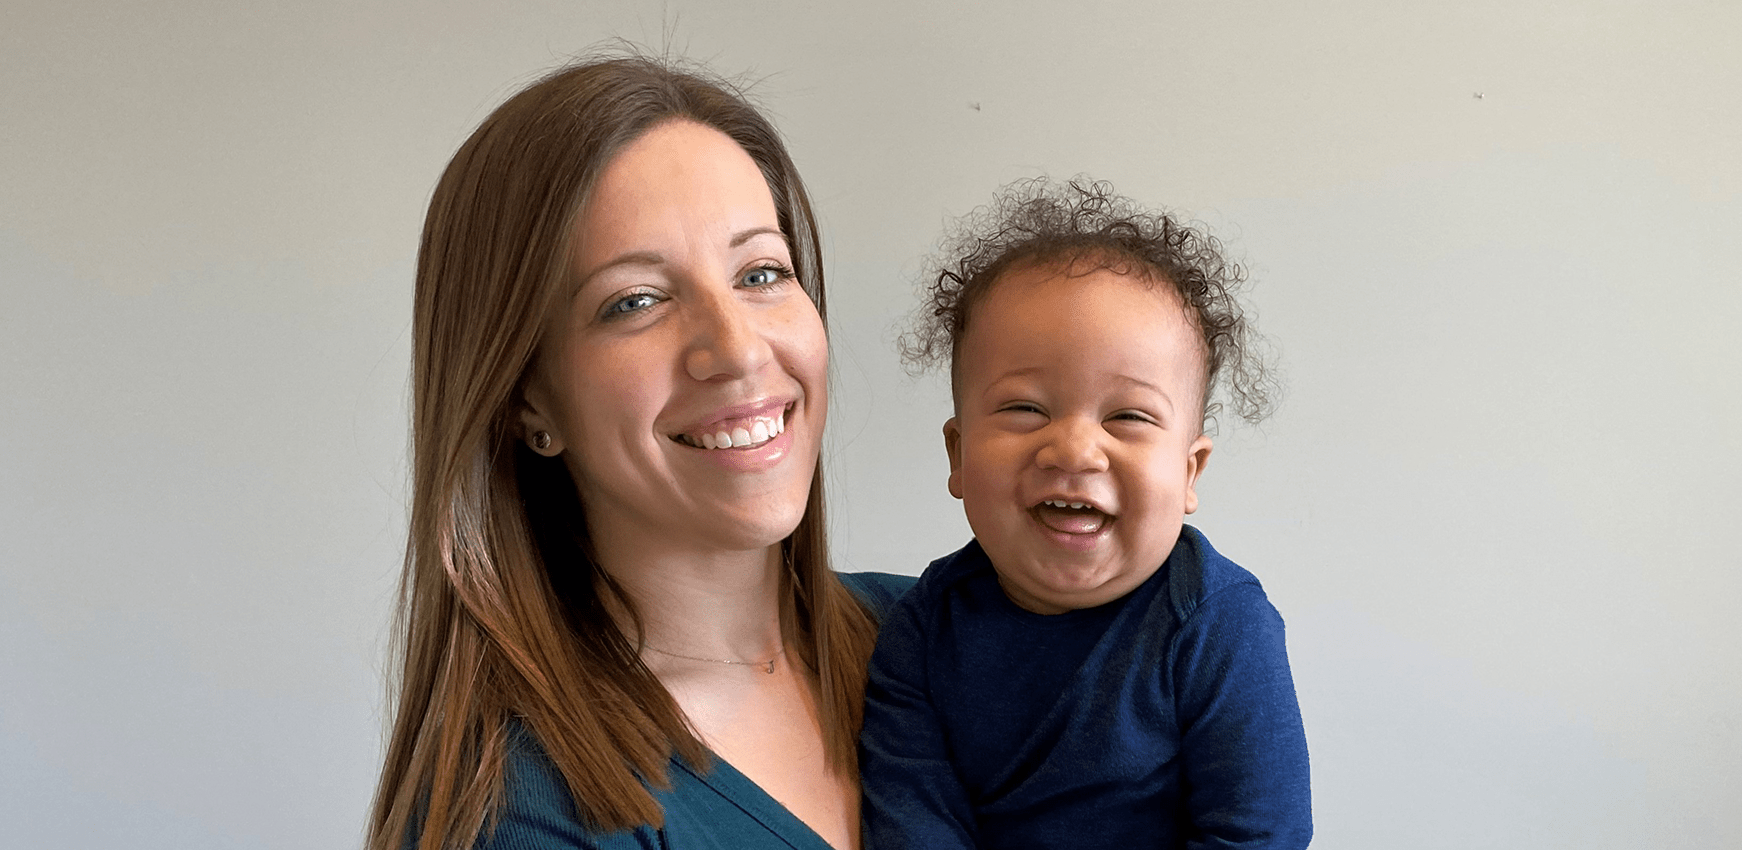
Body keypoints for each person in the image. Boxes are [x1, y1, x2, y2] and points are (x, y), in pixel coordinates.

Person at [364, 56, 910, 850]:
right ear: (527, 397)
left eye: (761, 272)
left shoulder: (946, 637)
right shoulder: (519, 814)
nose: (736, 348)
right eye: (636, 301)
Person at [860, 177, 1312, 848]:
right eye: (1025, 408)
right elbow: (911, 821)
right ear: (958, 455)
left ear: (1190, 474)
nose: (1073, 447)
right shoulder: (923, 631)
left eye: (1128, 416)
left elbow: (1257, 833)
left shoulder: (1220, 626)